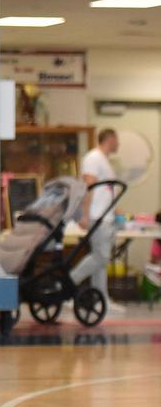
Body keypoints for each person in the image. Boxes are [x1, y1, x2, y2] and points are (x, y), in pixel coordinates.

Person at [71, 128, 124, 313]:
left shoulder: (104, 161)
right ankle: (68, 283)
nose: (119, 144)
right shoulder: (93, 158)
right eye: (117, 140)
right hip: (96, 215)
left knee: (101, 261)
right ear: (110, 139)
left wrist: (116, 211)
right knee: (100, 257)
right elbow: (89, 186)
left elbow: (106, 190)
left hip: (106, 216)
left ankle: (101, 299)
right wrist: (84, 215)